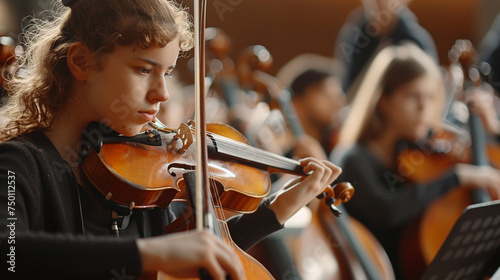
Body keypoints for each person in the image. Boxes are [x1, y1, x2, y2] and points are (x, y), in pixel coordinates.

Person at [0, 0, 341, 279]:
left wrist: (277, 209)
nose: (161, 93)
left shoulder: (140, 174)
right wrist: (147, 254)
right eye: (144, 70)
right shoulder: (19, 165)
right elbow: (9, 253)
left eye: (167, 73)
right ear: (81, 62)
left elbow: (190, 258)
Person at [333, 43, 500, 279]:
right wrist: (458, 176)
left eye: (431, 98)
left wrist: (490, 129)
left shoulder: (418, 154)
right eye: (413, 96)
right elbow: (388, 210)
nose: (425, 108)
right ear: (384, 101)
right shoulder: (352, 159)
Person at [334, 0, 438, 93]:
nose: (379, 3)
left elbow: (428, 88)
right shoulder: (354, 35)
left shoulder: (417, 42)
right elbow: (345, 84)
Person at [289, 69, 346, 157]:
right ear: (296, 102)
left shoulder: (339, 147)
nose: (337, 103)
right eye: (326, 94)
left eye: (337, 96)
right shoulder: (285, 149)